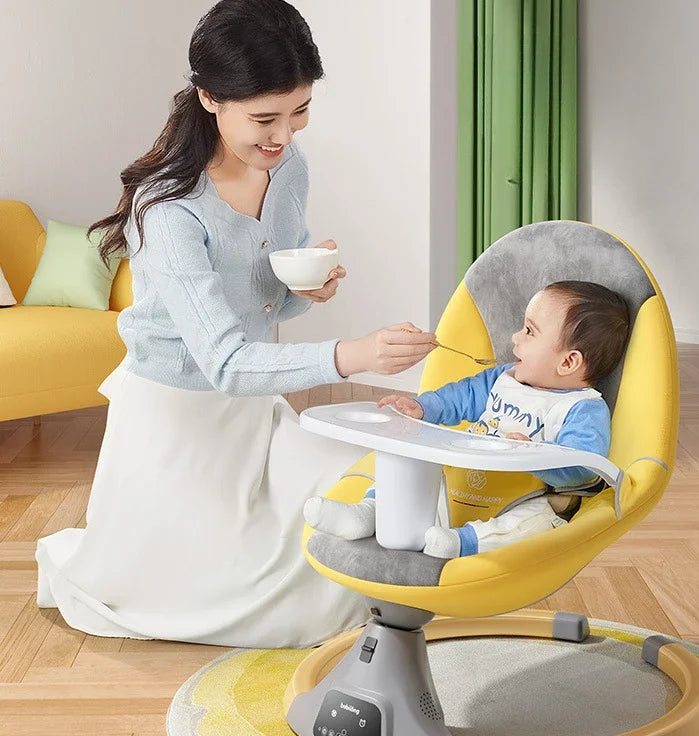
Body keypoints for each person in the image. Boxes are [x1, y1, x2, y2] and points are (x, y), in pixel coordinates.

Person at [34, 0, 436, 648]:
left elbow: (268, 296)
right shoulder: (168, 208)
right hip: (178, 420)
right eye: (265, 119)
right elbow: (222, 359)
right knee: (262, 599)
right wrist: (353, 354)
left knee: (375, 479)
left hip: (253, 409)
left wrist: (309, 288)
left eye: (299, 111)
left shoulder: (287, 167)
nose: (282, 136)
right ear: (210, 98)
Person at [304, 280, 630, 558]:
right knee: (413, 461)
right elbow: (460, 397)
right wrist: (422, 408)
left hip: (522, 498)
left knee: (536, 521)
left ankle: (464, 543)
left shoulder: (582, 408)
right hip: (463, 480)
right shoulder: (505, 377)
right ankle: (369, 513)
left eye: (530, 331)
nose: (515, 338)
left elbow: (584, 466)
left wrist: (532, 454)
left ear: (569, 361)